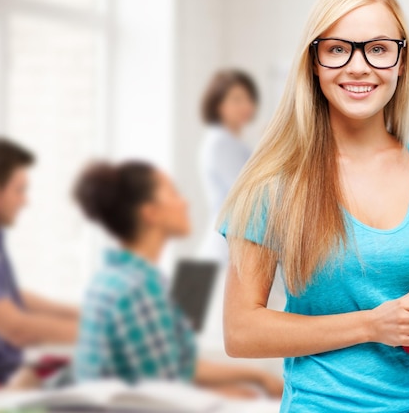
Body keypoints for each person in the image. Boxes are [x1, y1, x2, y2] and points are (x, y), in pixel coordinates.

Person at [218, 0, 409, 412]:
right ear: (314, 63)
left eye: (378, 48)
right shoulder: (274, 184)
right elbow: (241, 331)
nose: (358, 67)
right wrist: (373, 325)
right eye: (337, 49)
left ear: (401, 63)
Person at [73, 160, 283, 398]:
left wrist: (255, 377)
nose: (185, 202)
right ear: (150, 213)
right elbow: (162, 388)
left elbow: (177, 365)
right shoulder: (140, 288)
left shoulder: (113, 279)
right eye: (173, 193)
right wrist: (236, 394)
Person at [0, 137, 79, 385]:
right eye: (18, 190)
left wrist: (80, 313)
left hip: (8, 370)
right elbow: (17, 329)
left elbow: (4, 296)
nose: (25, 201)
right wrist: (104, 334)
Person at [197, 69, 259, 264]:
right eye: (236, 99)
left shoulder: (229, 141)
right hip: (221, 250)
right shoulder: (221, 141)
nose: (246, 105)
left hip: (220, 246)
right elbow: (249, 193)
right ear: (218, 104)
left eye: (249, 98)